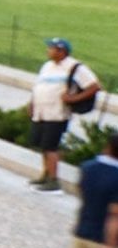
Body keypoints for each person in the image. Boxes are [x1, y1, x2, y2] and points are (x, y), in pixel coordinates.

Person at [27, 38, 101, 192]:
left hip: (57, 114)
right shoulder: (47, 66)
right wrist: (32, 103)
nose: (48, 51)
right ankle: (45, 174)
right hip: (41, 112)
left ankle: (54, 181)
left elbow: (94, 86)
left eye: (52, 48)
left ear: (61, 51)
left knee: (50, 146)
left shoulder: (75, 67)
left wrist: (73, 98)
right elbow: (39, 86)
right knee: (43, 146)